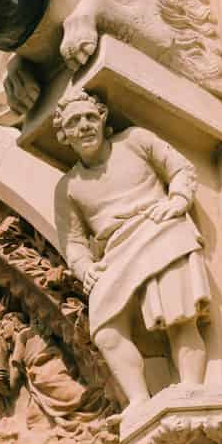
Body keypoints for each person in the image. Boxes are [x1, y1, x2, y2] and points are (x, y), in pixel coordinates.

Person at [54, 89, 210, 405]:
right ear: (64, 135)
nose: (84, 125)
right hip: (115, 252)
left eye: (89, 117)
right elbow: (73, 242)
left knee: (178, 315)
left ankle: (193, 388)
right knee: (105, 331)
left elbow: (180, 169)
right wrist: (85, 268)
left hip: (160, 230)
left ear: (102, 119)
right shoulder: (69, 187)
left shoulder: (134, 140)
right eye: (74, 121)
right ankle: (139, 400)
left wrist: (178, 199)